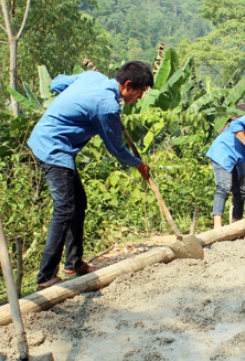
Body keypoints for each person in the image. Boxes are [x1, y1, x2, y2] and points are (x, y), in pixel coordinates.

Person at [28, 62, 153, 290]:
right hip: (54, 147)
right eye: (141, 92)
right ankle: (45, 276)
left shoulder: (91, 78)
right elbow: (116, 149)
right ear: (127, 85)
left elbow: (56, 83)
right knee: (65, 208)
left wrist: (77, 101)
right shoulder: (106, 106)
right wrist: (139, 164)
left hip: (57, 145)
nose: (140, 97)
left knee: (79, 203)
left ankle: (73, 263)